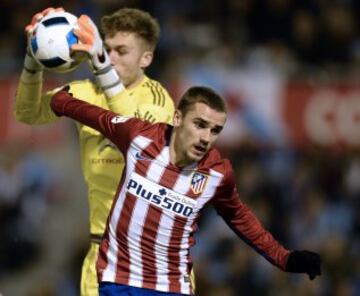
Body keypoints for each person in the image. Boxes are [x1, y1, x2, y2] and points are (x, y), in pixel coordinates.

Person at [50, 86, 322, 296]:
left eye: (215, 130)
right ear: (178, 118)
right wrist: (60, 102)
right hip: (118, 279)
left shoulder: (217, 173)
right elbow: (97, 116)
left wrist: (284, 258)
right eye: (200, 125)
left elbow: (241, 219)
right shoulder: (140, 137)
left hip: (172, 286)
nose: (206, 137)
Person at [14, 7, 175, 296]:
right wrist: (33, 59)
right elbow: (27, 113)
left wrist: (100, 63)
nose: (111, 57)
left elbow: (135, 133)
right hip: (100, 253)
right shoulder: (84, 92)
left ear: (145, 58)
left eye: (121, 51)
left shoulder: (159, 100)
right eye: (107, 48)